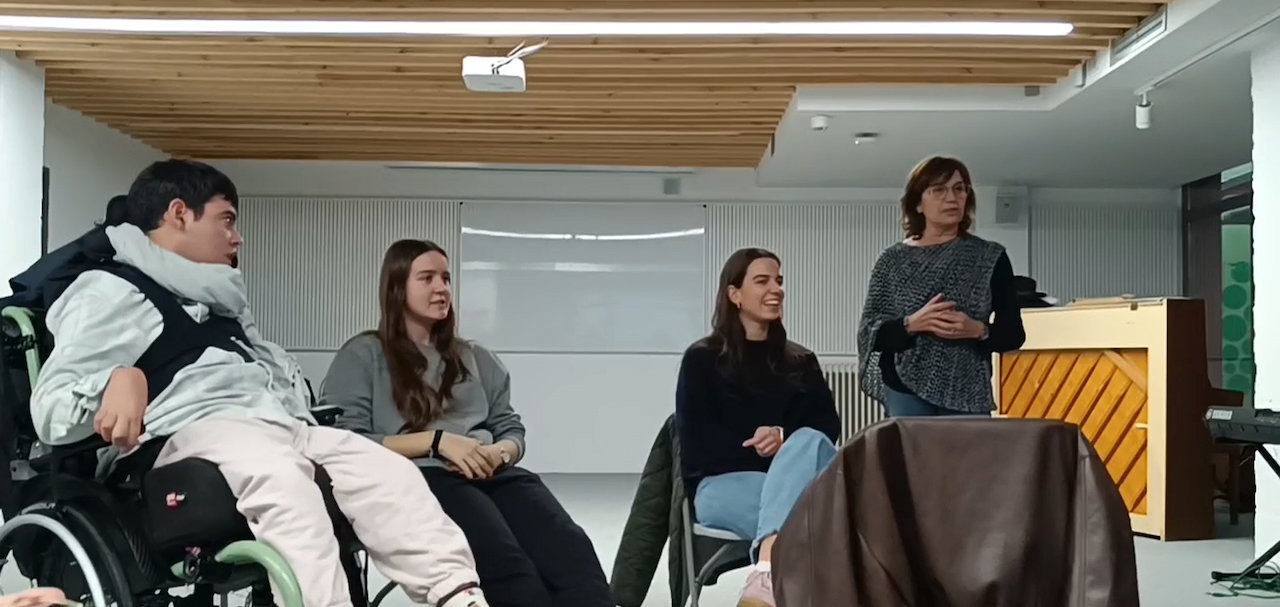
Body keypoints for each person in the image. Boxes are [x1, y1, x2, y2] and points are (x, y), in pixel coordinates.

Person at [29, 160, 489, 607]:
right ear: (179, 214)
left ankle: (459, 596)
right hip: (189, 431)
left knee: (389, 473)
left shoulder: (223, 300)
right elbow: (50, 412)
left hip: (277, 424)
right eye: (226, 220)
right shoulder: (110, 291)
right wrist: (118, 378)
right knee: (280, 478)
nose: (237, 236)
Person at [319, 239, 613, 607]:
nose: (441, 288)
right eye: (427, 278)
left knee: (571, 550)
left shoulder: (475, 357)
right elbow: (344, 439)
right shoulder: (363, 354)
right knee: (506, 563)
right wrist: (436, 441)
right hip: (424, 477)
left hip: (494, 473)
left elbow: (510, 427)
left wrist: (501, 452)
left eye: (445, 278)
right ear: (397, 287)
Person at [674, 247, 842, 607]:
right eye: (762, 281)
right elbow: (698, 445)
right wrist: (769, 457)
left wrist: (783, 440)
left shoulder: (801, 360)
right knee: (821, 524)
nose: (776, 289)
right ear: (734, 294)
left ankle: (765, 571)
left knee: (808, 439)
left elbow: (828, 427)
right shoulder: (701, 360)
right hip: (721, 486)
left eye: (778, 281)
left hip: (792, 485)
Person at [856, 155, 1025, 418]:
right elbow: (871, 333)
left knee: (971, 448)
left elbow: (1014, 334)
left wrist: (978, 330)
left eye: (959, 189)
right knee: (910, 448)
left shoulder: (990, 257)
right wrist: (911, 324)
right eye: (939, 190)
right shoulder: (892, 261)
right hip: (904, 389)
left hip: (968, 390)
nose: (952, 198)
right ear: (918, 203)